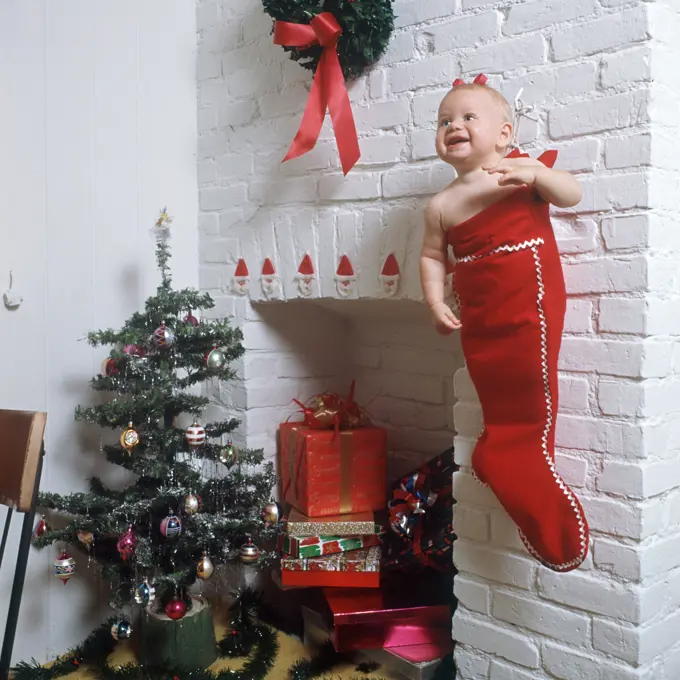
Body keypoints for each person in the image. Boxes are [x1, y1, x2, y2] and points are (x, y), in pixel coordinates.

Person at [419, 74, 589, 572]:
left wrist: (537, 176)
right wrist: (433, 302)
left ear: (504, 134)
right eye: (444, 120)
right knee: (492, 383)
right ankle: (498, 447)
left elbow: (572, 194)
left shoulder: (518, 170)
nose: (454, 126)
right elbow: (432, 257)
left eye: (468, 117)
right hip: (482, 317)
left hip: (530, 304)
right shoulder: (442, 205)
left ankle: (514, 452)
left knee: (529, 387)